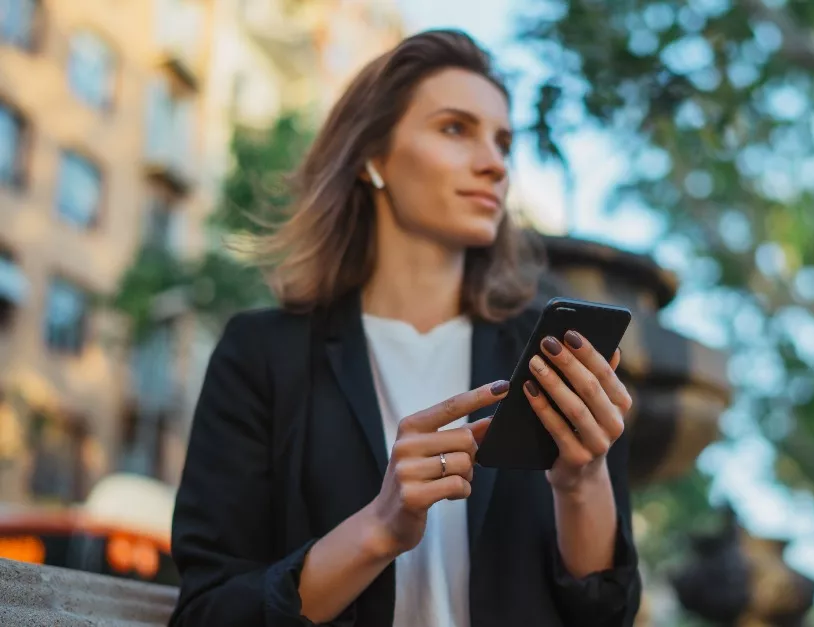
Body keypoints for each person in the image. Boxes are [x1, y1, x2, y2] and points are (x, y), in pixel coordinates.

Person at [168, 30, 641, 627]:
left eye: (503, 141)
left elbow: (607, 615)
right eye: (454, 129)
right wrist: (379, 529)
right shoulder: (263, 354)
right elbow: (209, 612)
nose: (494, 163)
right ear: (373, 157)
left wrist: (581, 481)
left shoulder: (553, 357)